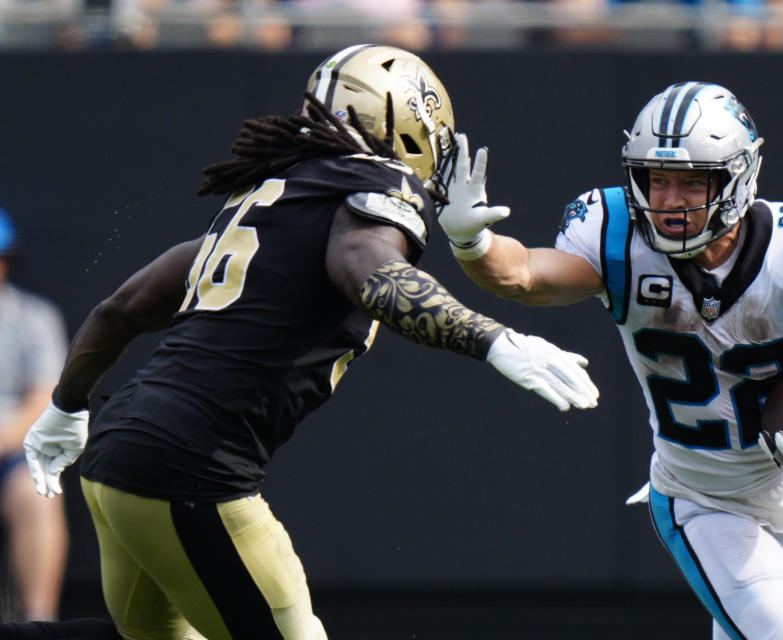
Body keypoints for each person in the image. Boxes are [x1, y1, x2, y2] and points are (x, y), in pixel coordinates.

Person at [21, 44, 599, 640]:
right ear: (405, 125)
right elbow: (370, 274)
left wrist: (68, 405)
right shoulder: (376, 182)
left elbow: (125, 308)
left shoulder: (273, 193)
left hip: (117, 455)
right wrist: (494, 340)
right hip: (191, 472)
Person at [436, 81, 783, 638]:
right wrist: (475, 245)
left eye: (692, 182)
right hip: (703, 500)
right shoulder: (616, 235)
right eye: (655, 180)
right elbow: (525, 277)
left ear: (739, 176)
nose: (668, 200)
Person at [0, 208, 70, 622]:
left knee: (38, 496)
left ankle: (38, 623)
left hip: (11, 454)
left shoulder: (34, 317)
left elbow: (43, 399)